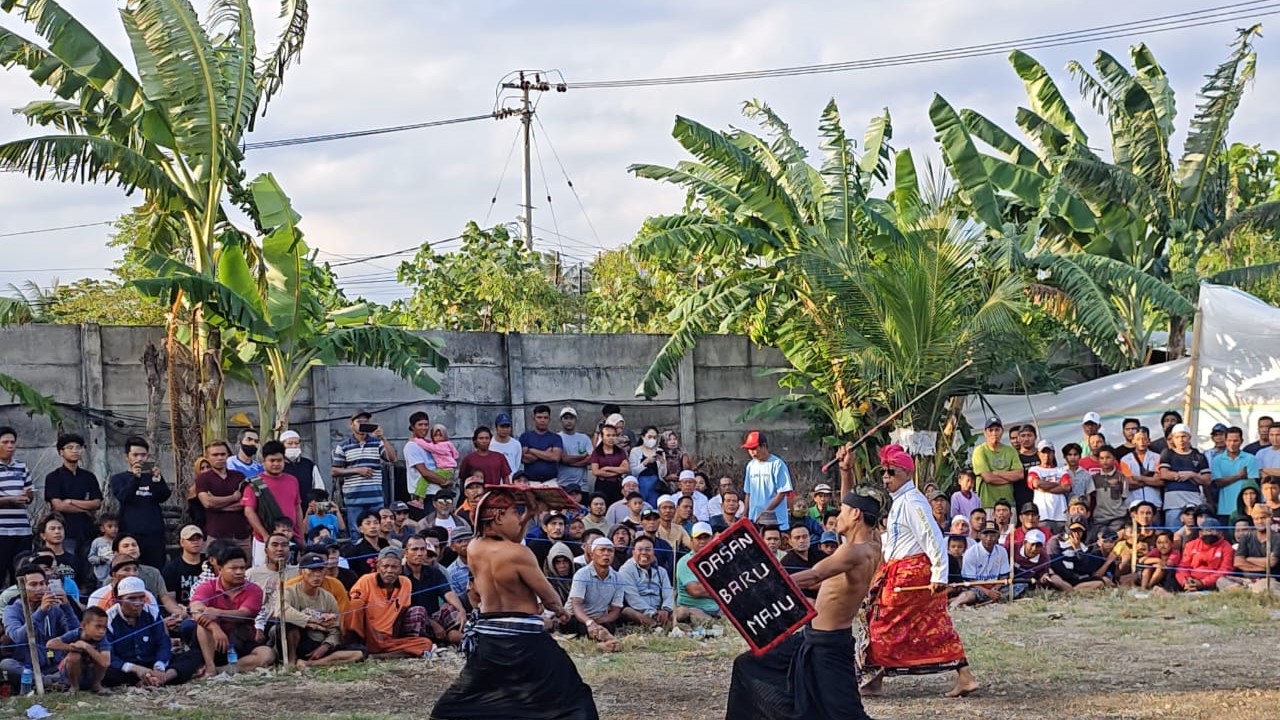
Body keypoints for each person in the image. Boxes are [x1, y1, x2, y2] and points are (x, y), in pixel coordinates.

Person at [430, 488, 599, 720]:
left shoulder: (474, 548)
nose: (517, 517)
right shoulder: (520, 553)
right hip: (525, 639)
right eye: (514, 512)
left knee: (461, 701)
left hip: (489, 637)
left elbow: (507, 541)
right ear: (499, 517)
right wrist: (560, 611)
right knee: (571, 693)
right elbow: (550, 597)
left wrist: (529, 513)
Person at [726, 482, 887, 720]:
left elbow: (814, 575)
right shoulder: (872, 543)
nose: (837, 515)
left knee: (847, 714)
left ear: (855, 514)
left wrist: (763, 583)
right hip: (809, 638)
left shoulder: (852, 552)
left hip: (829, 646)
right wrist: (845, 472)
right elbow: (855, 507)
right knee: (747, 664)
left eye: (842, 510)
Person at [862, 444, 977, 699]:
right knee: (919, 623)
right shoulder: (900, 502)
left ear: (905, 473)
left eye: (891, 472)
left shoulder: (914, 502)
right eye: (884, 472)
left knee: (884, 622)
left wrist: (939, 574)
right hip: (900, 570)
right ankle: (964, 676)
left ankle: (875, 680)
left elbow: (932, 537)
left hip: (912, 573)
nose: (886, 478)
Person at [102, 576, 202, 687]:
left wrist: (159, 666)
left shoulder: (151, 612)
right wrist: (135, 669)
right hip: (126, 666)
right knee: (103, 669)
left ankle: (162, 678)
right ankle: (148, 680)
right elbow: (108, 654)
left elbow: (163, 642)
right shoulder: (108, 618)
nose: (138, 603)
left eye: (141, 598)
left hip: (152, 663)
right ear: (118, 600)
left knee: (195, 655)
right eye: (132, 599)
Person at [343, 547, 434, 657]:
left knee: (426, 643)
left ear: (400, 569)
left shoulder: (406, 583)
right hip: (368, 634)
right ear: (378, 567)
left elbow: (401, 614)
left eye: (394, 567)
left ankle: (379, 655)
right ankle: (358, 647)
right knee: (356, 604)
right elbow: (354, 610)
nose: (389, 570)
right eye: (385, 566)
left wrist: (394, 637)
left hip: (388, 638)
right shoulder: (366, 580)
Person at [2, 563, 80, 686]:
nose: (40, 588)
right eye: (33, 585)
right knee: (6, 665)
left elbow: (76, 634)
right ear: (21, 587)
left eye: (42, 583)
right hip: (28, 667)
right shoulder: (11, 610)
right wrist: (41, 612)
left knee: (80, 655)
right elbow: (18, 637)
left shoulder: (55, 607)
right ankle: (50, 682)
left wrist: (66, 607)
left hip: (56, 665)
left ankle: (52, 681)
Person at [107, 436, 171, 570]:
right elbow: (124, 497)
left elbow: (164, 496)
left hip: (154, 532)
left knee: (156, 568)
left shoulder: (152, 476)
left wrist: (158, 479)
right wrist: (135, 478)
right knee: (130, 567)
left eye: (143, 455)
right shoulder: (119, 478)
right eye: (135, 455)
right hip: (131, 531)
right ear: (127, 457)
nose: (139, 459)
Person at [332, 411, 397, 537]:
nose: (363, 425)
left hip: (375, 498)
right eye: (359, 422)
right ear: (351, 425)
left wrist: (383, 438)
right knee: (356, 532)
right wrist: (357, 470)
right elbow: (335, 471)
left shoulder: (377, 443)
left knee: (379, 532)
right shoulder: (344, 446)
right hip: (354, 499)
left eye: (366, 422)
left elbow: (392, 459)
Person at [242, 440, 304, 566]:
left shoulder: (292, 480)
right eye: (272, 460)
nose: (276, 464)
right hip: (263, 541)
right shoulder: (255, 483)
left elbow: (297, 508)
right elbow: (249, 512)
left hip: (289, 539)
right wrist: (265, 536)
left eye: (279, 460)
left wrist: (301, 536)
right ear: (264, 461)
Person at [43, 432, 102, 563]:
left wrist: (71, 501)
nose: (75, 451)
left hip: (88, 529)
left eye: (78, 447)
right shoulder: (53, 477)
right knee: (68, 567)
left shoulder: (89, 476)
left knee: (89, 567)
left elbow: (97, 503)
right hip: (66, 530)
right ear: (61, 452)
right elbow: (58, 506)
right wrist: (86, 508)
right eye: (70, 448)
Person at [403, 535, 467, 646]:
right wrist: (432, 623)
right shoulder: (401, 575)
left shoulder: (434, 572)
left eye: (423, 549)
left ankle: (465, 639)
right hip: (411, 620)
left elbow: (447, 592)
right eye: (414, 549)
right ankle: (420, 644)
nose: (419, 553)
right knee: (418, 611)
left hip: (433, 616)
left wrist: (461, 610)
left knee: (451, 607)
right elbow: (404, 608)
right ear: (405, 552)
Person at [195, 440, 252, 557]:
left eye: (223, 454)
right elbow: (207, 503)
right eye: (215, 455)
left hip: (241, 534)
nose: (220, 458)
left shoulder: (239, 476)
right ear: (207, 457)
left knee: (244, 569)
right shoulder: (203, 479)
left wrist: (218, 506)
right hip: (217, 534)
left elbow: (245, 502)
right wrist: (233, 497)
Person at [1158, 423, 1212, 530]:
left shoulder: (1198, 456)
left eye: (1183, 436)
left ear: (1189, 437)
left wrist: (1192, 474)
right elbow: (1164, 473)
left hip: (1194, 501)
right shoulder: (1167, 454)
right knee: (1173, 534)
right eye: (1177, 437)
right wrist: (1181, 475)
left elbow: (1207, 480)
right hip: (1173, 503)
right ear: (1172, 438)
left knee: (1194, 533)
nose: (1181, 440)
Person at [1217, 503, 1280, 594]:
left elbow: (1271, 563)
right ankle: (1247, 591)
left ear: (1270, 519)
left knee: (1266, 586)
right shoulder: (1246, 537)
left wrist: (1247, 559)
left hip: (1268, 580)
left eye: (1263, 518)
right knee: (1221, 580)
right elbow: (1238, 562)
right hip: (1246, 580)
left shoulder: (1277, 538)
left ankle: (1244, 592)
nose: (1259, 521)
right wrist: (1263, 566)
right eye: (1256, 518)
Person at [46, 605, 110, 694]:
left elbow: (105, 662)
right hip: (69, 675)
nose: (102, 631)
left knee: (101, 658)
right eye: (98, 626)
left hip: (90, 673)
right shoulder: (75, 634)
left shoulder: (102, 639)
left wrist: (86, 646)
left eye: (104, 628)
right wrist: (73, 648)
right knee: (74, 656)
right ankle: (74, 686)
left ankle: (96, 685)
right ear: (84, 625)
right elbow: (50, 644)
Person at [951, 521, 1015, 608]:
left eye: (993, 535)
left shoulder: (1002, 551)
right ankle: (954, 603)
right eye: (986, 534)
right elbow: (970, 580)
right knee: (970, 595)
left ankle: (990, 599)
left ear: (998, 536)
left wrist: (995, 589)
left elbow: (1004, 576)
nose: (989, 538)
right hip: (977, 588)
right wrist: (987, 592)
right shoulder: (971, 552)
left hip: (996, 587)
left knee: (1019, 586)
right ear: (980, 535)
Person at [617, 535, 673, 630]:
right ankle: (656, 626)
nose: (644, 553)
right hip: (639, 610)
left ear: (653, 552)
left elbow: (668, 592)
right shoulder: (626, 570)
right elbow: (633, 598)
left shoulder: (661, 571)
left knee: (679, 612)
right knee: (627, 611)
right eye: (640, 550)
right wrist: (652, 613)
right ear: (633, 552)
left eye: (648, 550)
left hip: (660, 610)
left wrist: (665, 609)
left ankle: (665, 624)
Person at [741, 431, 793, 531]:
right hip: (755, 520)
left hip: (776, 521)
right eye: (749, 449)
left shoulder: (777, 464)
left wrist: (766, 512)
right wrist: (745, 515)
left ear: (764, 446)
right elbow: (748, 493)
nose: (752, 452)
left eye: (754, 448)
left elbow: (782, 492)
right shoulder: (750, 466)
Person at [673, 523, 721, 624]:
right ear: (691, 540)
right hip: (695, 608)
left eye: (706, 538)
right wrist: (722, 589)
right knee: (683, 613)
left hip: (718, 609)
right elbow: (696, 590)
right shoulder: (685, 562)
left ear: (712, 539)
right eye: (698, 538)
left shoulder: (719, 559)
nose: (702, 541)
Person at [972, 417, 1021, 511]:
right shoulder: (980, 451)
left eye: (997, 430)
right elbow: (988, 478)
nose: (994, 433)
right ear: (985, 433)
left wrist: (997, 473)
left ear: (1002, 431)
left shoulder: (1010, 451)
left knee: (1010, 526)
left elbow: (1019, 474)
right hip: (988, 505)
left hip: (1009, 504)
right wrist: (1010, 478)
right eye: (991, 430)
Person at [1214, 426, 1260, 522]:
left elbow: (1252, 484)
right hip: (1225, 509)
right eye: (1229, 440)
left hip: (1246, 510)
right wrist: (1239, 476)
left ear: (1241, 441)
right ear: (1225, 441)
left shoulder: (1250, 459)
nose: (1232, 444)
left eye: (1236, 441)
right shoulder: (1217, 460)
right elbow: (1217, 483)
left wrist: (1227, 479)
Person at [404, 412, 450, 505]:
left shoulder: (429, 444)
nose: (424, 428)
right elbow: (424, 472)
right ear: (412, 427)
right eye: (420, 425)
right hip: (424, 495)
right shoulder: (412, 446)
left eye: (426, 424)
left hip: (436, 492)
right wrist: (445, 482)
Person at [1175, 518, 1234, 592]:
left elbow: (1225, 570)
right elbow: (1183, 566)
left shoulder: (1227, 547)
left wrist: (1203, 583)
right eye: (1206, 531)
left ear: (1220, 533)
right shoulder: (1191, 545)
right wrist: (1185, 582)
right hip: (1191, 581)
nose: (1209, 533)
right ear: (1200, 533)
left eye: (1212, 530)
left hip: (1214, 583)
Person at [1088, 446, 1130, 534]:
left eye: (1108, 457)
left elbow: (1125, 496)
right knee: (1101, 540)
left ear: (1114, 458)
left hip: (1118, 517)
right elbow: (1091, 497)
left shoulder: (1121, 477)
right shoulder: (1094, 478)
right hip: (1100, 518)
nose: (1105, 461)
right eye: (1101, 458)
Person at [558, 407, 595, 491]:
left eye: (571, 418)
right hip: (563, 484)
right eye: (566, 418)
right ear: (561, 420)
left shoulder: (584, 438)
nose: (568, 421)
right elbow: (563, 459)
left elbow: (591, 458)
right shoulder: (557, 438)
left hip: (582, 485)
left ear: (576, 420)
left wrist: (573, 463)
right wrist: (582, 456)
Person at [489, 412, 523, 477]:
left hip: (511, 482)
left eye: (507, 427)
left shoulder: (516, 444)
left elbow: (516, 465)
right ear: (496, 427)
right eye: (502, 427)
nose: (505, 430)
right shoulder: (490, 443)